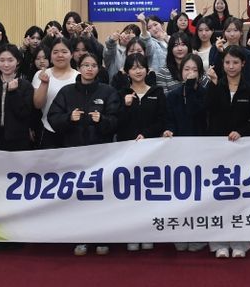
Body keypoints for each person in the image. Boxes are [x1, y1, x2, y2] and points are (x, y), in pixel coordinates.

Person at [48, 52, 120, 255]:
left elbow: (117, 120)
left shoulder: (108, 91)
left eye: (93, 65)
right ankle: (81, 238)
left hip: (102, 155)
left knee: (102, 198)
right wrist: (68, 118)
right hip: (74, 154)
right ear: (79, 67)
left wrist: (103, 120)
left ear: (99, 68)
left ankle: (103, 238)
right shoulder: (66, 91)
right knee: (79, 198)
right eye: (86, 65)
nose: (89, 69)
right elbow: (53, 118)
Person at [205, 46, 250, 258]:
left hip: (242, 151)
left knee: (240, 197)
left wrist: (241, 131)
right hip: (217, 151)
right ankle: (219, 243)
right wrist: (212, 84)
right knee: (217, 198)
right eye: (227, 62)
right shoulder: (215, 86)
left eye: (235, 62)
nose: (231, 66)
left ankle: (240, 244)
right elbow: (207, 111)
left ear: (243, 64)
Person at [116, 53, 166, 252]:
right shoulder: (121, 93)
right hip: (127, 151)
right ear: (127, 71)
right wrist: (126, 106)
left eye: (141, 67)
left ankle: (148, 233)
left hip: (151, 151)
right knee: (130, 193)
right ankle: (132, 233)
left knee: (149, 193)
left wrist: (146, 134)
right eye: (133, 67)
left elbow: (162, 120)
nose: (137, 71)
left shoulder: (157, 92)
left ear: (147, 69)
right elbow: (116, 123)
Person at [163, 53, 208, 253]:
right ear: (180, 72)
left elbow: (197, 113)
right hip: (178, 152)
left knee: (199, 196)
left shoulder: (205, 93)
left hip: (202, 151)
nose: (190, 73)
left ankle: (198, 234)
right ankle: (180, 233)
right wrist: (168, 130)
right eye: (186, 69)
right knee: (180, 195)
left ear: (200, 73)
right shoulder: (173, 95)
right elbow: (169, 119)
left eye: (194, 70)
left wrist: (191, 88)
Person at [0, 44, 35, 151]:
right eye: (2, 60)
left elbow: (25, 113)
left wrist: (13, 93)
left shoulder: (25, 85)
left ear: (17, 61)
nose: (6, 64)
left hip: (19, 139)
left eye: (10, 60)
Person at [32, 38, 80, 148]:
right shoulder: (41, 74)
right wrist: (44, 83)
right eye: (55, 52)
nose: (60, 55)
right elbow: (38, 104)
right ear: (51, 55)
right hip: (47, 130)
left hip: (73, 131)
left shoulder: (79, 77)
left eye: (64, 52)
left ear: (71, 54)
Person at [208, 17, 250, 89]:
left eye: (235, 30)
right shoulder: (215, 48)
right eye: (228, 31)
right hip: (220, 90)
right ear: (224, 32)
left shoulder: (247, 54)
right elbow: (213, 71)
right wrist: (220, 53)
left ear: (241, 32)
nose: (232, 34)